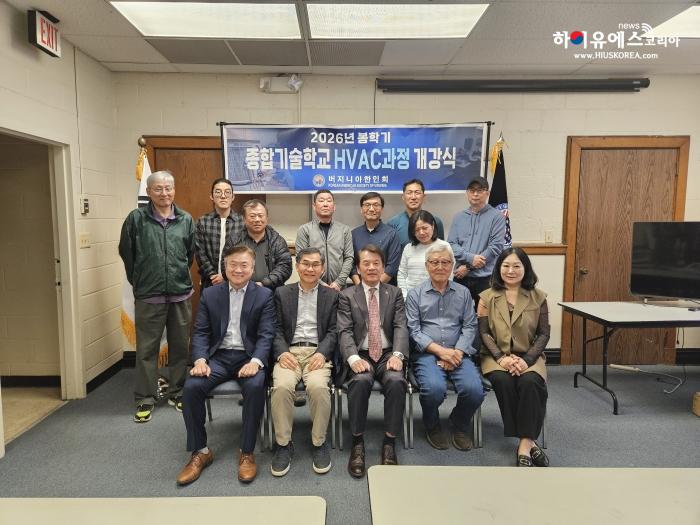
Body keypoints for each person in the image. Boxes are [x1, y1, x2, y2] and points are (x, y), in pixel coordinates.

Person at [177, 246, 275, 485]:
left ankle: (247, 451)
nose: (238, 270)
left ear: (253, 268)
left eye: (244, 265)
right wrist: (200, 360)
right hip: (218, 357)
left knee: (255, 386)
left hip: (248, 357)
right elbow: (201, 332)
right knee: (191, 387)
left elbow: (267, 335)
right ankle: (200, 451)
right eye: (233, 264)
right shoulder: (211, 294)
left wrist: (256, 362)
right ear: (225, 266)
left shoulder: (264, 295)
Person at [118, 170, 194, 423]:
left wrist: (175, 276)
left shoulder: (185, 219)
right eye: (158, 189)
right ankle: (145, 397)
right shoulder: (136, 219)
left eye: (168, 188)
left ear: (174, 190)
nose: (164, 193)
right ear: (149, 192)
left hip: (180, 294)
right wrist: (142, 279)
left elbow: (189, 255)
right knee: (146, 350)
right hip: (149, 295)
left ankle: (178, 392)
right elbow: (127, 254)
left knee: (180, 348)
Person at [337, 244, 408, 478]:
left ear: (383, 267)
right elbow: (344, 331)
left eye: (376, 263)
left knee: (396, 381)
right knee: (359, 382)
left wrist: (398, 355)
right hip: (361, 353)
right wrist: (353, 358)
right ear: (358, 268)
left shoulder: (394, 293)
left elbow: (400, 326)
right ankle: (357, 441)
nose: (371, 267)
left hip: (388, 353)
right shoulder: (347, 295)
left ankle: (389, 441)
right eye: (366, 263)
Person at [405, 243, 485, 451]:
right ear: (427, 266)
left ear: (452, 266)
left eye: (445, 262)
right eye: (434, 262)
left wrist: (457, 352)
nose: (440, 266)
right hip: (427, 354)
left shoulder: (464, 293)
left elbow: (470, 325)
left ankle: (459, 423)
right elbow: (413, 330)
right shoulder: (415, 294)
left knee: (475, 391)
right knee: (433, 390)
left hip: (459, 352)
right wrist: (441, 352)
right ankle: (432, 425)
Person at [477, 247, 550, 468]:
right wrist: (501, 358)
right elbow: (483, 333)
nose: (511, 271)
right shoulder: (486, 297)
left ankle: (525, 444)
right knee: (503, 381)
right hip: (495, 356)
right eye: (506, 266)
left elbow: (544, 334)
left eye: (516, 266)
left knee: (531, 382)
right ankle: (529, 440)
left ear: (525, 268)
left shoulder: (538, 297)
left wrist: (527, 360)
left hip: (529, 356)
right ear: (498, 268)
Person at [270, 247, 338, 477]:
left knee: (318, 387)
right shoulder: (282, 293)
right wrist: (282, 352)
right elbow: (275, 329)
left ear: (323, 268)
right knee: (281, 387)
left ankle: (319, 442)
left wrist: (322, 353)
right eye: (306, 264)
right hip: (289, 351)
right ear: (297, 266)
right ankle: (283, 444)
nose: (310, 268)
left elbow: (334, 330)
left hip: (317, 352)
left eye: (316, 264)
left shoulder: (332, 295)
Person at [448, 176, 506, 308]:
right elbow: (451, 245)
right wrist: (470, 259)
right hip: (461, 277)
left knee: (485, 316)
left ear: (487, 193)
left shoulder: (497, 217)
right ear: (467, 193)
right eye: (472, 190)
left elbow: (495, 247)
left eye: (480, 190)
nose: (475, 194)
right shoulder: (459, 217)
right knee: (458, 315)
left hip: (485, 278)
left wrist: (468, 267)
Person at [224, 199, 292, 290]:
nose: (257, 219)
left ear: (267, 218)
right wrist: (245, 285)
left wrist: (264, 283)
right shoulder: (234, 241)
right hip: (240, 290)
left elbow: (285, 267)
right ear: (244, 219)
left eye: (260, 216)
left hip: (271, 291)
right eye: (252, 216)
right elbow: (225, 265)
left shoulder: (277, 241)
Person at [296, 189, 354, 291]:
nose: (325, 204)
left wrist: (339, 282)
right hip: (312, 286)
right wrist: (319, 283)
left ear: (334, 206)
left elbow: (349, 258)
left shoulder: (344, 230)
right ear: (314, 206)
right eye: (321, 201)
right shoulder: (305, 230)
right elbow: (300, 259)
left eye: (329, 201)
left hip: (339, 288)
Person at [194, 178, 244, 288]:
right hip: (209, 281)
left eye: (227, 192)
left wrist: (225, 276)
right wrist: (213, 275)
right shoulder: (202, 221)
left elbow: (245, 253)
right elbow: (199, 253)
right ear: (211, 196)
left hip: (236, 280)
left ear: (233, 197)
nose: (223, 196)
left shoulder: (242, 222)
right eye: (218, 192)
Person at [397, 210, 451, 299]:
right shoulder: (408, 248)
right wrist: (405, 297)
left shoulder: (444, 246)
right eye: (417, 230)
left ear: (432, 226)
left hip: (437, 297)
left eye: (424, 228)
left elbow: (449, 274)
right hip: (411, 298)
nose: (421, 232)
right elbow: (402, 274)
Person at [351, 192, 401, 285]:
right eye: (367, 205)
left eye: (376, 205)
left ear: (382, 209)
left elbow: (392, 267)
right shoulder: (353, 234)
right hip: (359, 289)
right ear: (361, 209)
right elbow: (352, 265)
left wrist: (375, 287)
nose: (371, 209)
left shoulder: (391, 234)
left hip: (385, 288)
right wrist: (361, 287)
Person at [387, 179, 445, 247]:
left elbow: (441, 249)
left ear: (423, 196)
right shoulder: (393, 224)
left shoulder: (435, 221)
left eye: (417, 193)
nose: (413, 197)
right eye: (409, 193)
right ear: (403, 197)